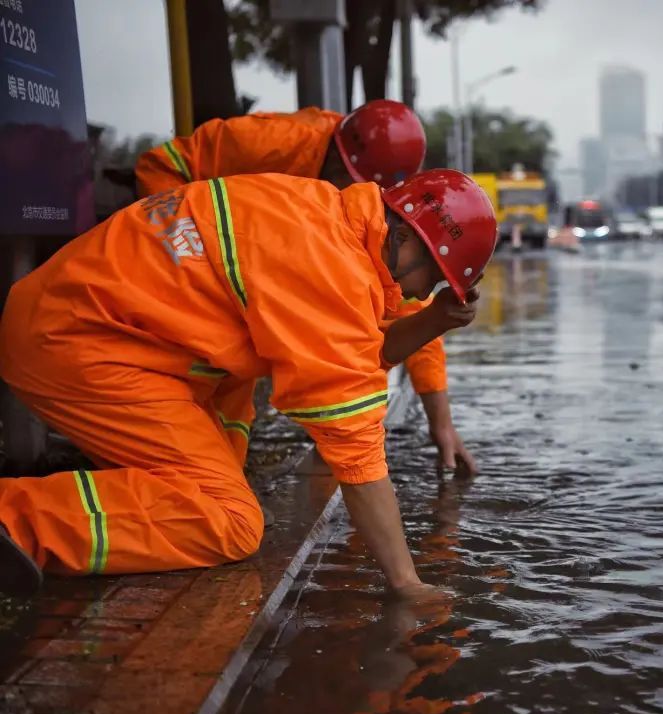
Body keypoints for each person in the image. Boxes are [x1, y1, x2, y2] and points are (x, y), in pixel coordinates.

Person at [0, 168, 496, 597]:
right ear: (409, 242)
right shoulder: (332, 270)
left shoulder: (325, 213)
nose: (421, 293)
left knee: (220, 468)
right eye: (431, 280)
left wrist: (434, 320)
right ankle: (17, 521)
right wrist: (407, 584)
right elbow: (356, 447)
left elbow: (356, 352)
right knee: (228, 520)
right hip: (78, 344)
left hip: (94, 323)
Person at [135, 100, 476, 475]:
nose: (356, 195)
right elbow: (161, 165)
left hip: (232, 305)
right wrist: (177, 258)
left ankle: (217, 487)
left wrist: (441, 423)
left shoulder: (370, 219)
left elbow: (411, 309)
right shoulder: (273, 141)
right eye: (349, 182)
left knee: (226, 446)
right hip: (173, 271)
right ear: (336, 156)